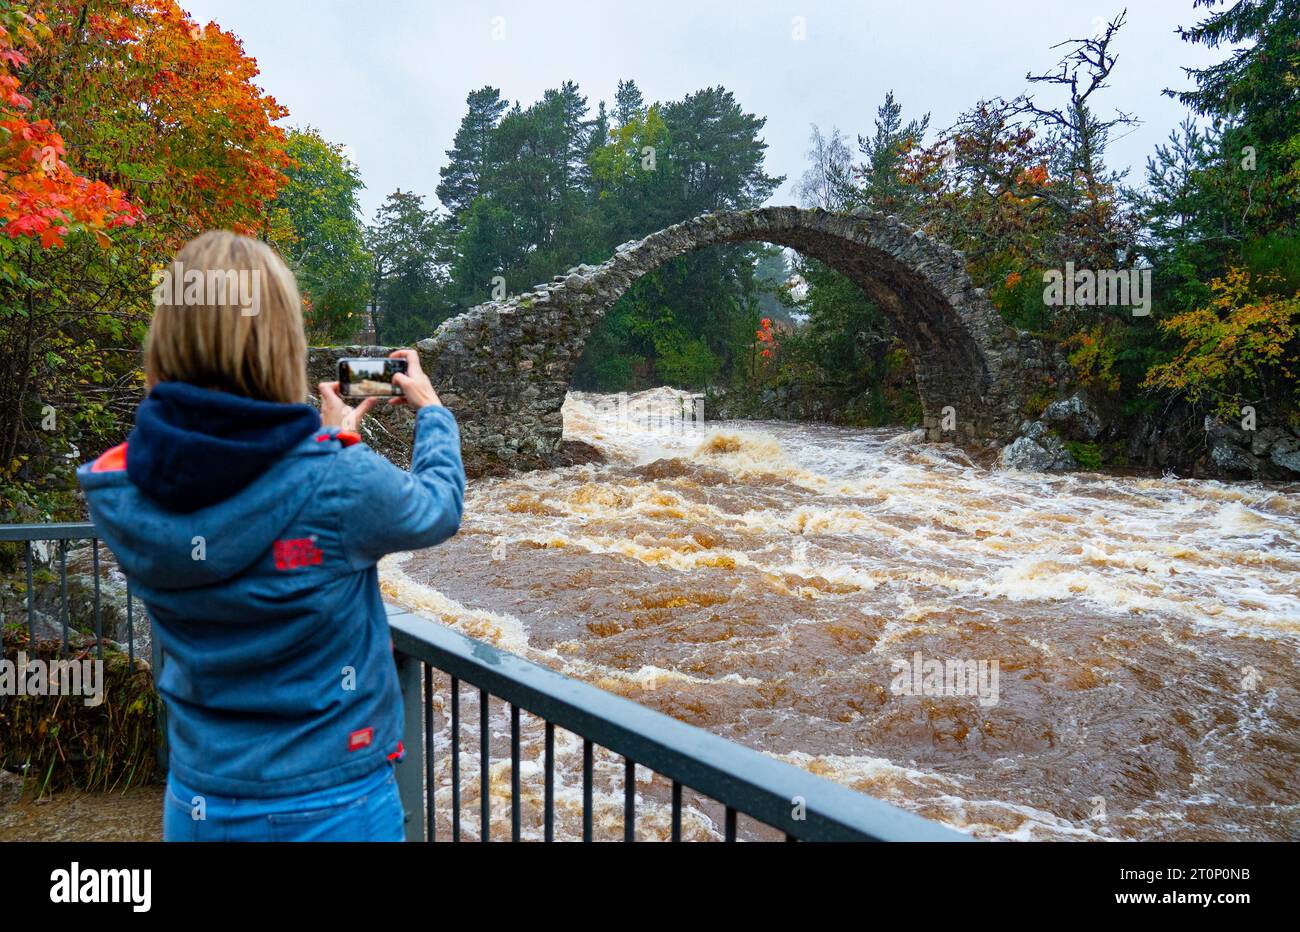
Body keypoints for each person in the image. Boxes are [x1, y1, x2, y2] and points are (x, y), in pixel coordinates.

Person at [77, 230, 465, 841]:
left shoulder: (119, 487)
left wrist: (330, 439)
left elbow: (233, 470)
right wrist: (431, 412)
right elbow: (436, 509)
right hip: (332, 805)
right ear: (281, 343)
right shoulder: (337, 478)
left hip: (201, 801)